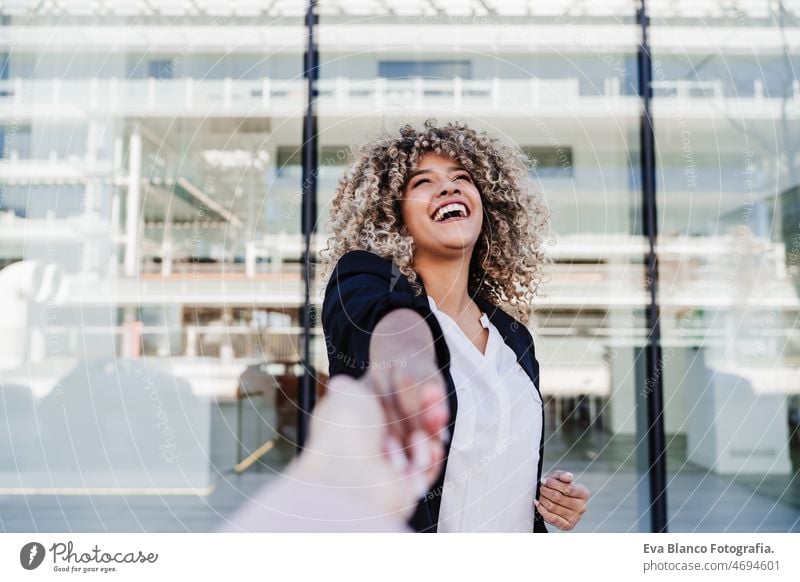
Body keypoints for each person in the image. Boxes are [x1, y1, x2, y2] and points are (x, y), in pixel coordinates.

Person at [320, 118, 590, 533]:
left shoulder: (512, 338)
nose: (448, 187)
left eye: (462, 177)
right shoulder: (365, 288)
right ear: (391, 215)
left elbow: (476, 463)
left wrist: (541, 501)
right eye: (422, 182)